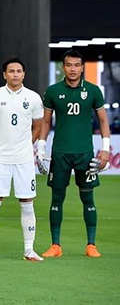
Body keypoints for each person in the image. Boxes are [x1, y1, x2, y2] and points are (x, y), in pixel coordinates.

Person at [38, 49, 110, 258]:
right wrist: (41, 149)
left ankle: (91, 245)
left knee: (88, 199)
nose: (72, 69)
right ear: (63, 67)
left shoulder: (94, 91)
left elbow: (103, 121)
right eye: (69, 65)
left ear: (82, 67)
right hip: (60, 153)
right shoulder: (53, 91)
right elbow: (45, 122)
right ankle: (55, 245)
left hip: (85, 154)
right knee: (56, 199)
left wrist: (105, 149)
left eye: (76, 65)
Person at [0, 57, 44, 262]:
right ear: (4, 74)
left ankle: (29, 250)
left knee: (27, 201)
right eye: (11, 71)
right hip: (0, 158)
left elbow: (38, 126)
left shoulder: (33, 97)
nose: (15, 74)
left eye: (19, 71)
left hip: (23, 158)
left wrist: (26, 145)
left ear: (24, 74)